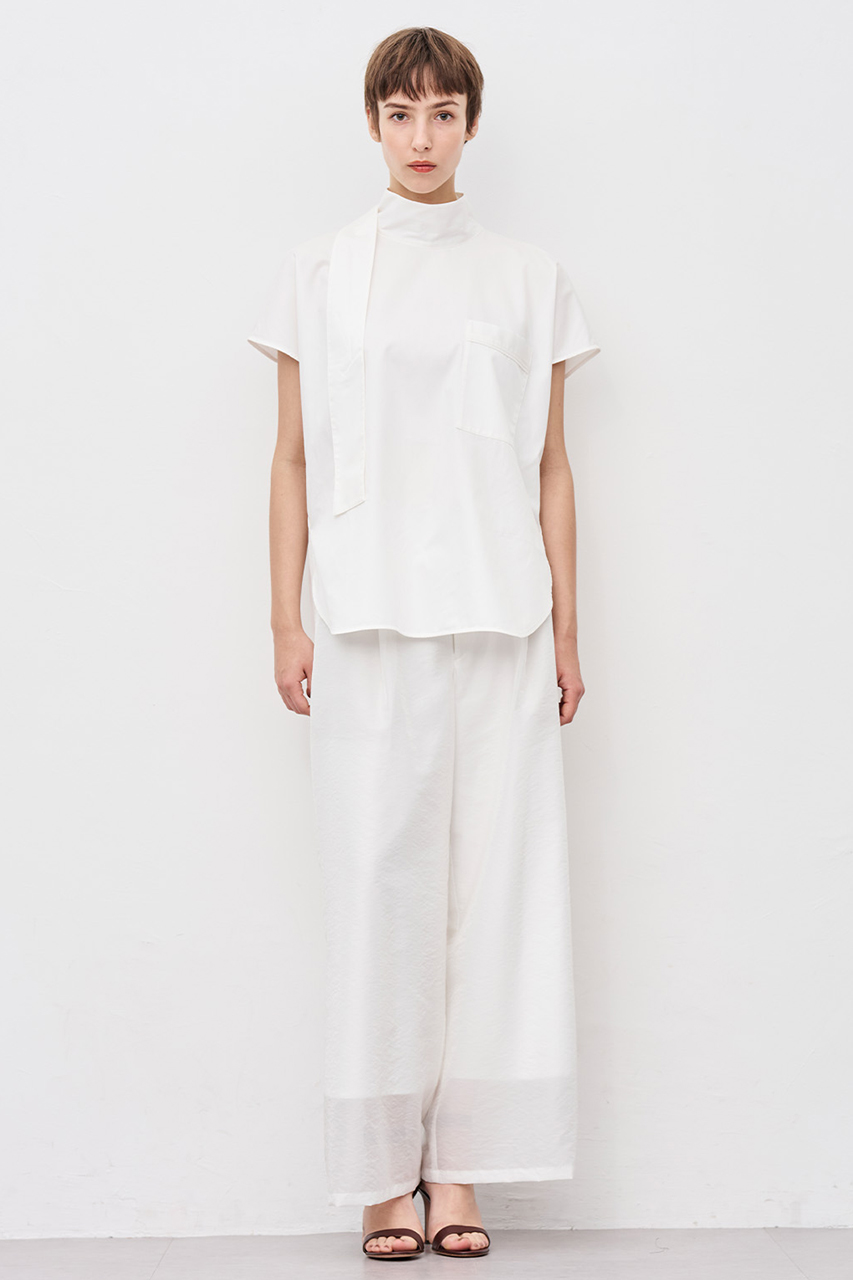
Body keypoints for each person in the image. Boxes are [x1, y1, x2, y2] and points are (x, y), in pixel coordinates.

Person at [247, 25, 601, 1261]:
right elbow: (291, 457)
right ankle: (377, 1176)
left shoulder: (526, 276)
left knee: (498, 898)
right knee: (378, 892)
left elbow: (550, 465)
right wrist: (283, 616)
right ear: (372, 123)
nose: (420, 137)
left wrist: (569, 626)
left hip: (504, 618)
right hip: (363, 617)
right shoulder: (318, 270)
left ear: (469, 125)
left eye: (442, 113)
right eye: (399, 114)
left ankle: (461, 1173)